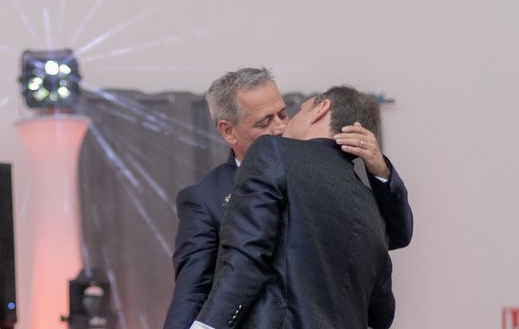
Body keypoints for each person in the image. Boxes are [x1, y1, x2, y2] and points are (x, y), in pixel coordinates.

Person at [162, 69, 412, 328]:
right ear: (228, 131)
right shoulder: (204, 198)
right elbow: (192, 291)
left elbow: (391, 236)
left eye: (283, 113)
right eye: (264, 122)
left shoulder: (332, 180)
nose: (280, 126)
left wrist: (381, 172)